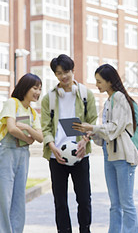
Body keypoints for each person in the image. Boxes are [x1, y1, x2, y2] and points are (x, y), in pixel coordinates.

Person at [73, 64, 138, 233]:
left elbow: (115, 128)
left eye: (99, 81)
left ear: (110, 81)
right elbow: (105, 135)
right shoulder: (110, 100)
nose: (97, 85)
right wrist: (89, 132)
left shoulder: (120, 98)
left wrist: (92, 128)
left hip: (123, 156)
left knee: (126, 203)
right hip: (109, 154)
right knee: (114, 204)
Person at [40, 54, 97, 233]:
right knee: (60, 201)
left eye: (66, 72)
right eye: (58, 73)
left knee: (84, 199)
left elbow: (93, 121)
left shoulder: (86, 94)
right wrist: (52, 147)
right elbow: (46, 127)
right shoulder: (48, 98)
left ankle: (85, 229)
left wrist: (85, 141)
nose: (63, 76)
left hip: (81, 154)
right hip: (57, 156)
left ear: (73, 70)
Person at [0, 73, 44, 233]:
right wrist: (28, 138)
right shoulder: (12, 104)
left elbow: (40, 137)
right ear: (25, 87)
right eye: (35, 88)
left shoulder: (33, 113)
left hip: (22, 156)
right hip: (5, 154)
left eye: (40, 89)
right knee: (2, 201)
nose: (38, 92)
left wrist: (27, 129)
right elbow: (12, 128)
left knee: (18, 201)